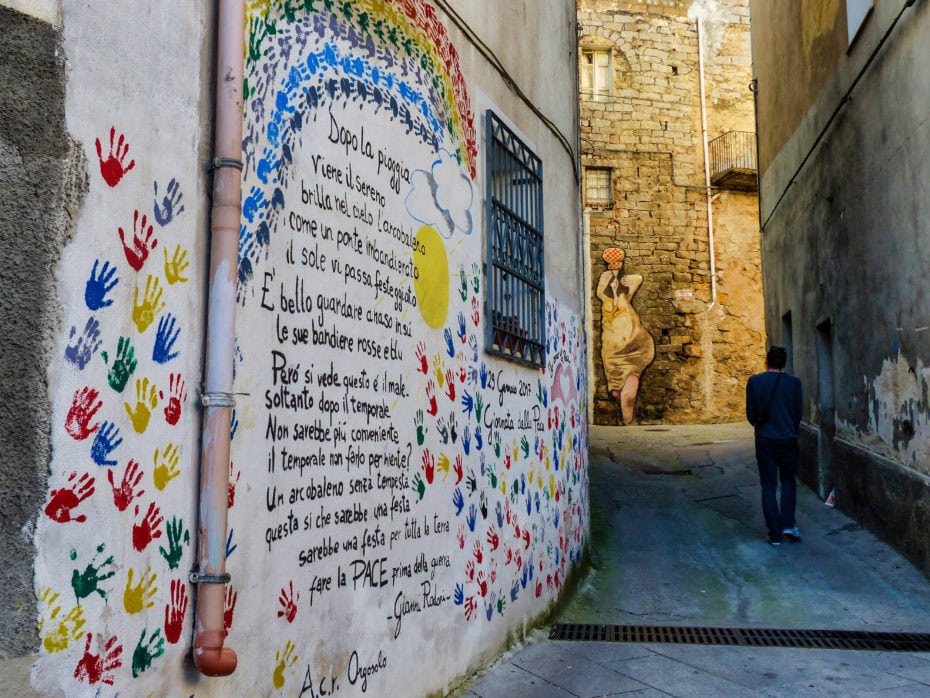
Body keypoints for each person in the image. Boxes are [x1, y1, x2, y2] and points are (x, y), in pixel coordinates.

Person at [746, 346, 803, 546]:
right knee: (788, 482)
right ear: (784, 363)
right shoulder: (794, 384)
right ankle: (788, 523)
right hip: (788, 439)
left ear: (766, 361)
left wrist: (762, 426)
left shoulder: (754, 382)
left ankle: (774, 534)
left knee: (768, 486)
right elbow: (798, 413)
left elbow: (751, 414)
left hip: (765, 440)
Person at [597, 247, 655, 424]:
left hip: (633, 344)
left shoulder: (626, 293)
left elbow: (638, 278)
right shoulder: (605, 298)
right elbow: (600, 291)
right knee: (616, 389)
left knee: (630, 380)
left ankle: (628, 421)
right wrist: (609, 282)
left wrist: (619, 281)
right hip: (612, 349)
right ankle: (627, 420)